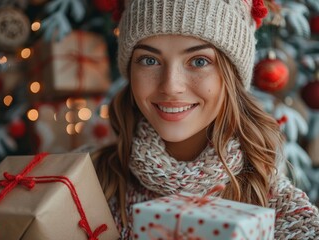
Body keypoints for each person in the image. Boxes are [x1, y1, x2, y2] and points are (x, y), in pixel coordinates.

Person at [92, 0, 319, 239]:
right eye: (149, 60)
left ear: (231, 76)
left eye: (199, 61)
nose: (171, 86)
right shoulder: (88, 182)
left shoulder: (279, 210)